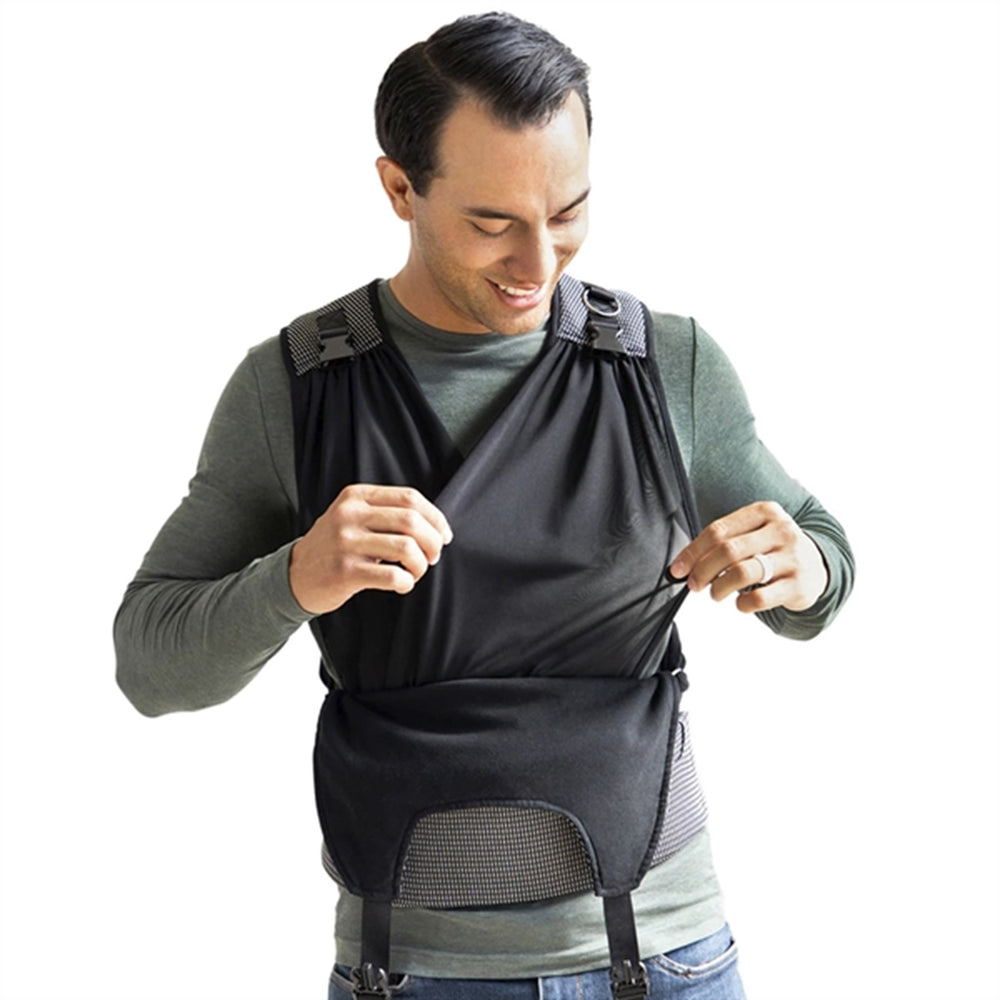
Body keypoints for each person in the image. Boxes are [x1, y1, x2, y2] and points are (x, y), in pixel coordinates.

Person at [114, 12, 854, 999]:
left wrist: (802, 569)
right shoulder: (293, 392)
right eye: (492, 223)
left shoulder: (664, 365)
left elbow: (820, 562)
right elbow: (149, 666)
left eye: (569, 212)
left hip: (665, 957)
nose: (539, 264)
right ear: (399, 189)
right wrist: (296, 576)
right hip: (412, 972)